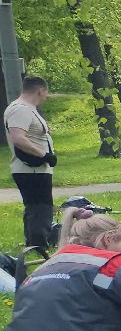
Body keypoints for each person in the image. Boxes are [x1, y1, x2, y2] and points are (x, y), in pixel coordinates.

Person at [7, 76, 57, 257]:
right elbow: (18, 138)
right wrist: (45, 155)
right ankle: (39, 247)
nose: (46, 96)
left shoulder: (27, 110)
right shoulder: (21, 110)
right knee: (41, 207)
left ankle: (32, 244)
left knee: (35, 206)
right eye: (46, 93)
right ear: (40, 91)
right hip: (32, 169)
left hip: (34, 170)